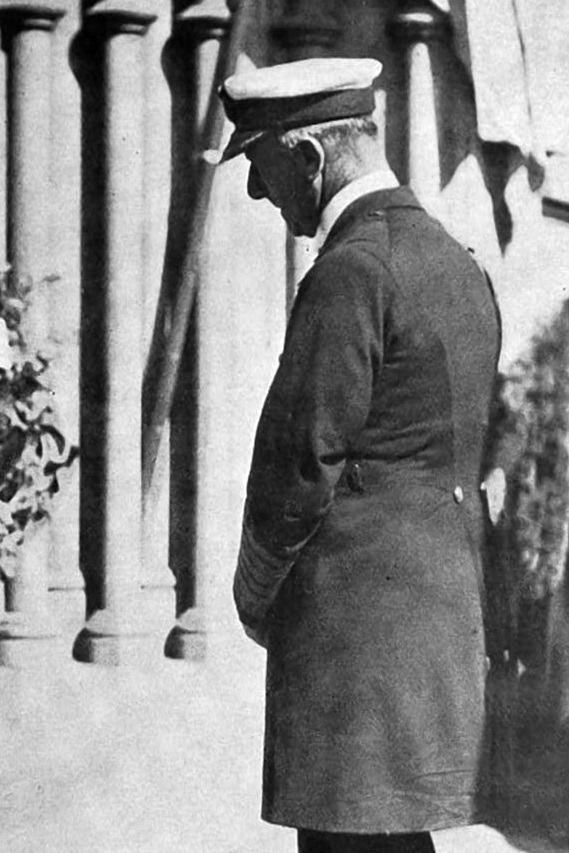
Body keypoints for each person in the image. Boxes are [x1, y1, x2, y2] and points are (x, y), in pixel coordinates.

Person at [221, 58, 502, 853]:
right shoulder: (456, 261)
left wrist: (253, 591)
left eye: (262, 165)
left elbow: (298, 460)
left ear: (309, 156)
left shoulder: (351, 271)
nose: (257, 192)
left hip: (350, 638)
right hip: (434, 621)